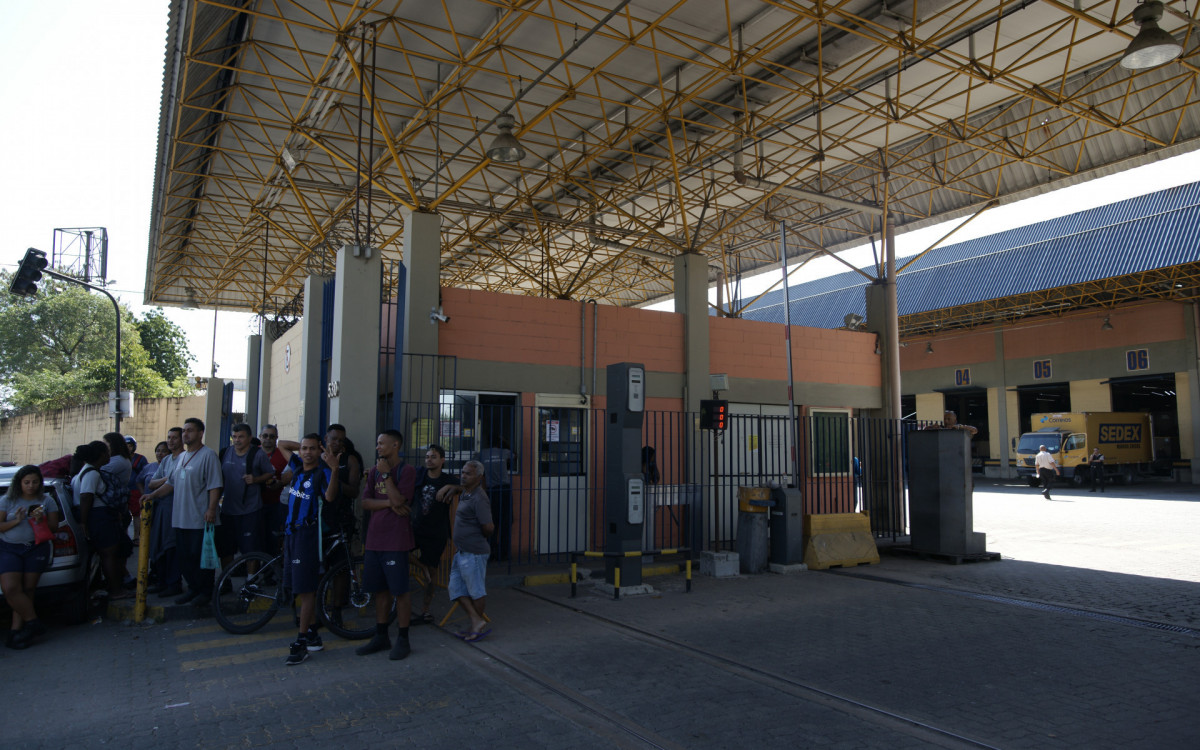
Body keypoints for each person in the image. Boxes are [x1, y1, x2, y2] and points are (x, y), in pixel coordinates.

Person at [355, 429, 417, 660]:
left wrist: (387, 477)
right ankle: (381, 635)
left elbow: (401, 500)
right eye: (377, 443)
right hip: (375, 540)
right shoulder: (373, 472)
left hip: (396, 540)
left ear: (395, 445)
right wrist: (388, 504)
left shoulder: (406, 471)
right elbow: (366, 503)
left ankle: (403, 638)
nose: (378, 447)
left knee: (399, 590)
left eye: (382, 444)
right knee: (380, 590)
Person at [281, 433, 341, 666]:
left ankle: (301, 640)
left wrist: (334, 468)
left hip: (307, 536)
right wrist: (304, 445)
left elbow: (330, 496)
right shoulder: (297, 466)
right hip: (291, 534)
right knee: (298, 587)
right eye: (304, 448)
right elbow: (281, 445)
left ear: (320, 451)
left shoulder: (322, 472)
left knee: (306, 590)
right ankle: (313, 633)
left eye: (312, 449)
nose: (306, 452)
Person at [158, 418, 224, 606]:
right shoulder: (181, 458)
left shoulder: (208, 455)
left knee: (201, 557)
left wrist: (211, 509)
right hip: (180, 518)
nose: (186, 434)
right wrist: (152, 495)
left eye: (190, 431)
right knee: (185, 558)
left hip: (200, 518)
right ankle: (193, 589)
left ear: (200, 433)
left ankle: (205, 591)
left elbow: (214, 486)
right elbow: (170, 483)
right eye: (184, 431)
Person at [0, 465, 61, 649]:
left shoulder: (47, 500)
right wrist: (16, 521)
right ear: (19, 483)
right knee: (11, 588)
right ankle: (34, 622)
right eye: (27, 482)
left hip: (36, 548)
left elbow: (53, 528)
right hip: (10, 548)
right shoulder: (7, 500)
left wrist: (40, 520)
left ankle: (16, 632)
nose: (31, 486)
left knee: (28, 589)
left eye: (35, 482)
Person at [437, 459, 494, 642]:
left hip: (474, 553)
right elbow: (461, 487)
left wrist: (476, 539)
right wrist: (452, 487)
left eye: (468, 474)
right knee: (455, 588)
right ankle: (476, 621)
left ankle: (475, 626)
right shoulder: (467, 492)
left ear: (478, 477)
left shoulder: (479, 498)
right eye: (462, 472)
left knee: (476, 591)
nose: (463, 476)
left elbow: (489, 527)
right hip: (461, 552)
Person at [73, 441, 130, 600]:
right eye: (106, 452)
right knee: (108, 554)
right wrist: (83, 522)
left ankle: (112, 586)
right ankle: (115, 590)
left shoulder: (87, 471)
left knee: (109, 554)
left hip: (99, 517)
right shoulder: (92, 473)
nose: (109, 455)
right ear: (100, 455)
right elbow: (86, 496)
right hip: (99, 517)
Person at [216, 423, 275, 566]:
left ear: (249, 438)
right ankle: (226, 579)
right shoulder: (225, 453)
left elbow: (270, 472)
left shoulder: (257, 454)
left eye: (241, 437)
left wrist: (255, 479)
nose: (237, 440)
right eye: (234, 437)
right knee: (226, 548)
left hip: (251, 509)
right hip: (228, 509)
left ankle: (250, 581)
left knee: (250, 547)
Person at [410, 444, 456, 624]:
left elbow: (469, 484)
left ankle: (425, 611)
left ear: (442, 460)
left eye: (434, 456)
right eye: (427, 456)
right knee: (398, 551)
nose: (429, 459)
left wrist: (449, 487)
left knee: (432, 574)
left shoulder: (448, 478)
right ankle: (420, 566)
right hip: (417, 528)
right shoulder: (420, 474)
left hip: (437, 532)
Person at [141, 427, 184, 596]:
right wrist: (167, 478)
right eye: (169, 437)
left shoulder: (184, 459)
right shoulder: (167, 461)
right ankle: (162, 581)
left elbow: (171, 487)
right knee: (158, 545)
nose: (171, 440)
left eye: (175, 437)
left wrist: (162, 485)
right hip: (162, 508)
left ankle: (174, 583)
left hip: (175, 508)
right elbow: (151, 483)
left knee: (171, 546)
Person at [476, 438, 512, 561]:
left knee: (491, 522)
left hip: (491, 491)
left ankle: (491, 551)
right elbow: (515, 455)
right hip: (505, 490)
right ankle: (504, 553)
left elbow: (475, 466)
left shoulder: (482, 453)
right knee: (505, 522)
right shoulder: (505, 452)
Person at [258, 424, 290, 554]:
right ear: (260, 437)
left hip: (277, 503)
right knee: (258, 538)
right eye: (265, 436)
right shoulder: (253, 453)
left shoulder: (283, 455)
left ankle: (271, 571)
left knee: (274, 539)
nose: (268, 439)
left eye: (272, 436)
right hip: (256, 504)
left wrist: (280, 482)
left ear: (276, 438)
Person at [125, 436, 149, 544]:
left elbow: (145, 474)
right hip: (123, 490)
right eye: (126, 446)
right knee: (124, 514)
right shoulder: (120, 459)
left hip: (135, 490)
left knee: (136, 514)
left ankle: (136, 537)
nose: (128, 448)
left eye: (130, 446)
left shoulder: (140, 459)